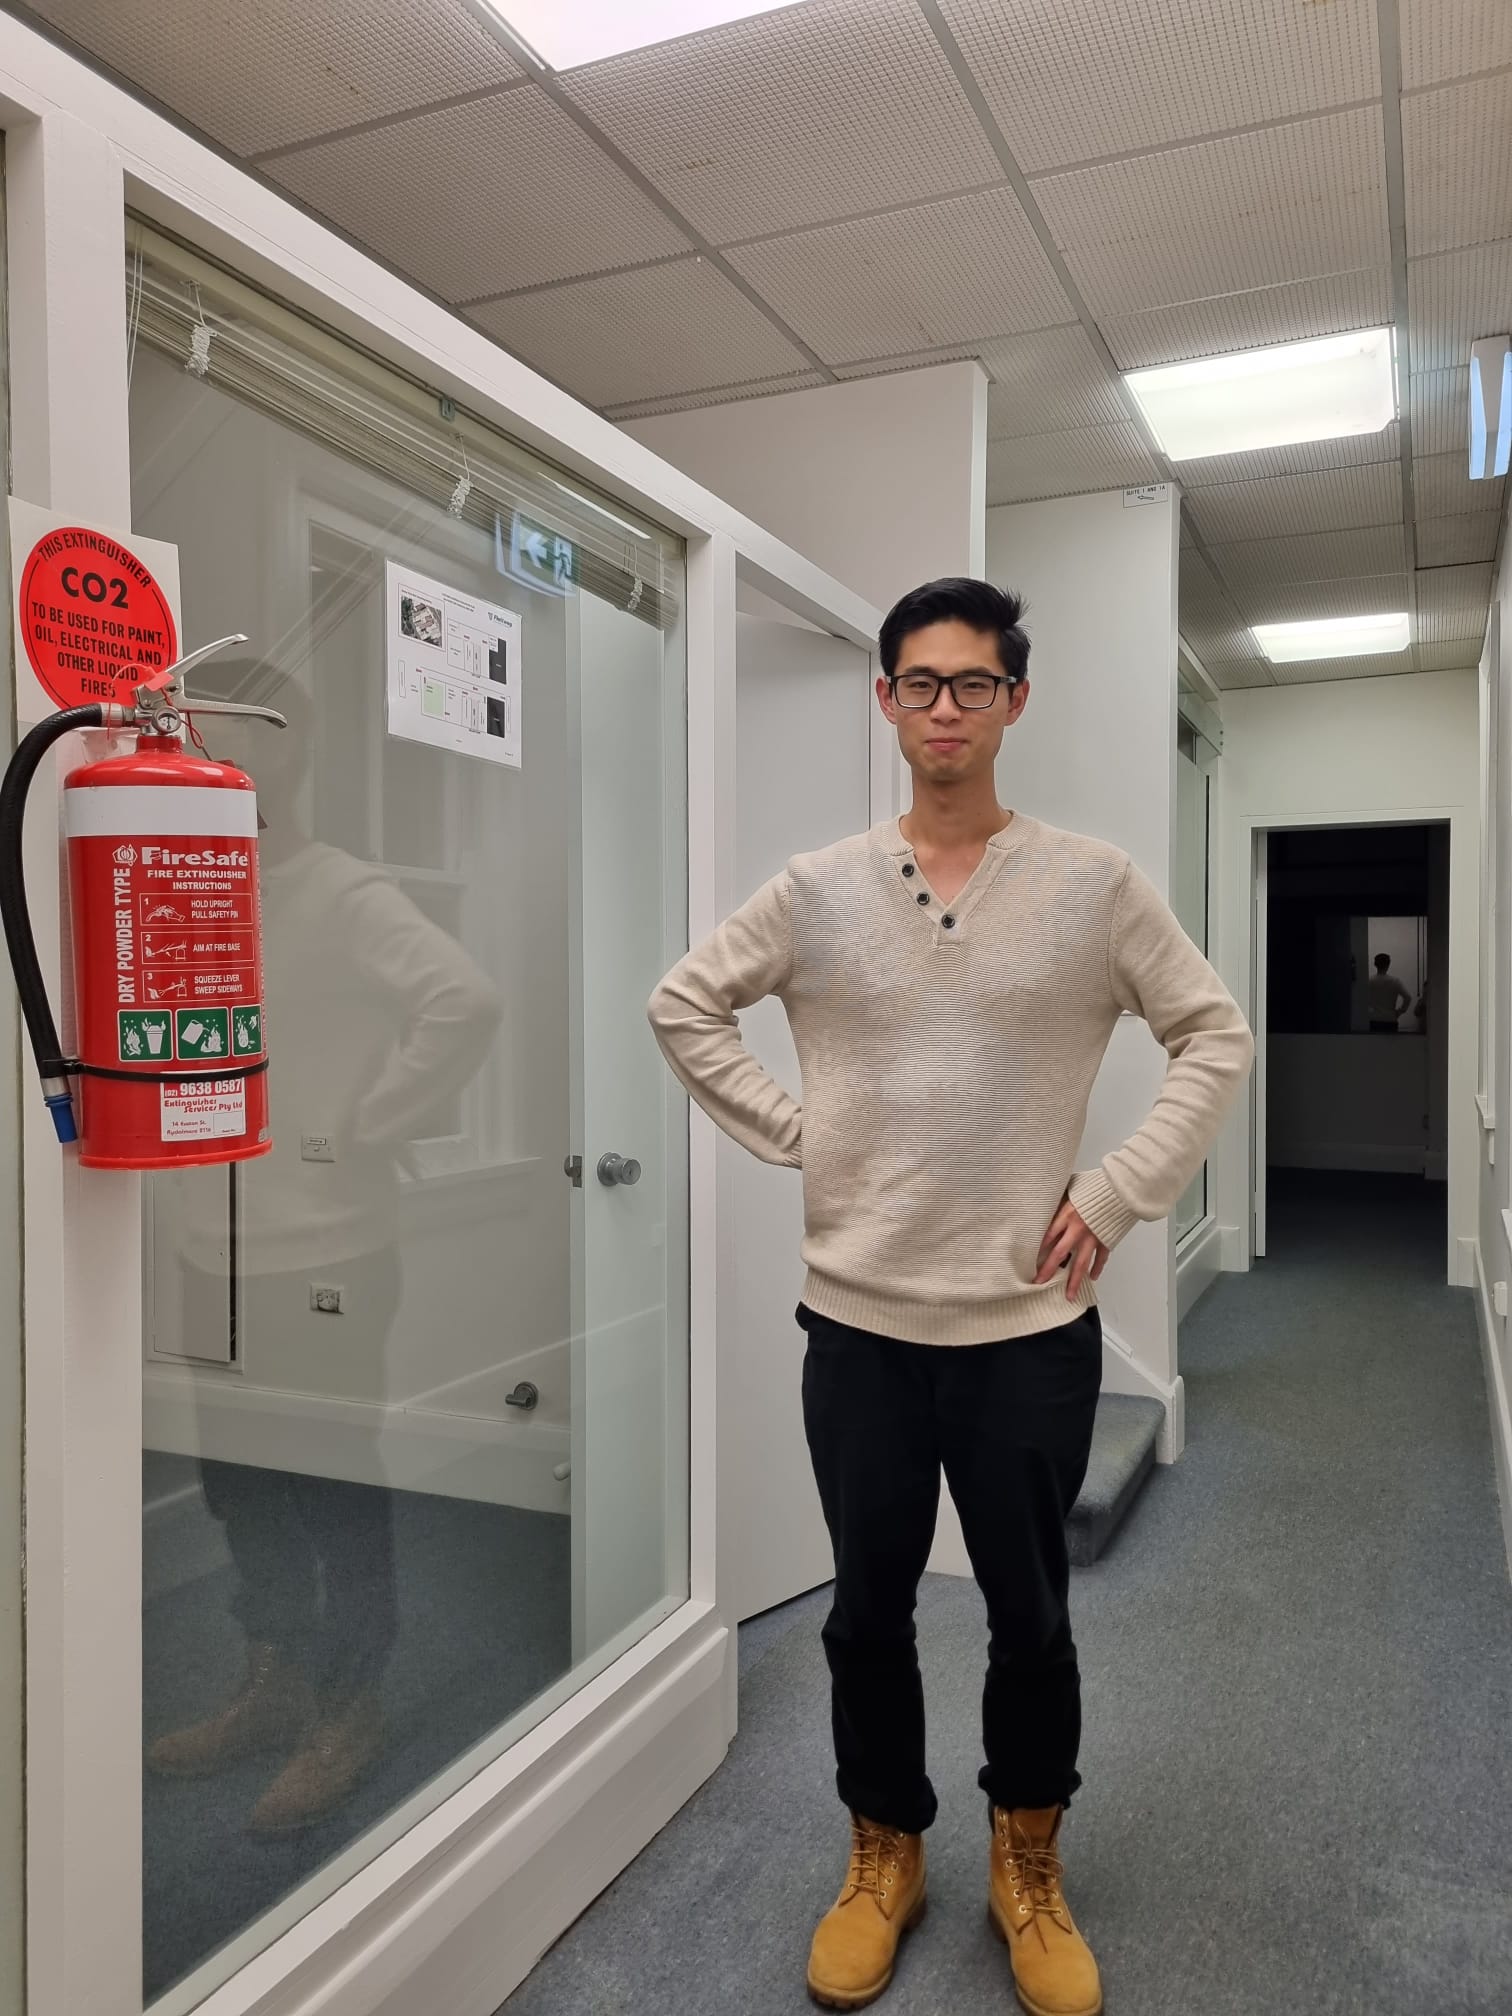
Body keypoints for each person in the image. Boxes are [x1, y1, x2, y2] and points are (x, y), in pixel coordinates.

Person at [648, 579, 1253, 2015]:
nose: (944, 710)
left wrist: (1118, 1193)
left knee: (1030, 1616)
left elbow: (1213, 1034)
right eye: (918, 683)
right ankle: (886, 1851)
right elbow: (685, 1002)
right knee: (865, 1613)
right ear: (885, 700)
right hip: (859, 1330)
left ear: (1013, 702)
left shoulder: (1093, 885)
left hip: (1026, 1334)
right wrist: (803, 1134)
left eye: (973, 684)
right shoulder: (819, 889)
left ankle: (1026, 1860)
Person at [147, 661, 501, 1834]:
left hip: (327, 1251)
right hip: (208, 1248)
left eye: (239, 734)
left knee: (332, 1488)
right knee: (241, 1486)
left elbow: (464, 1001)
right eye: (193, 732)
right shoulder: (182, 880)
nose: (214, 753)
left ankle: (349, 1709)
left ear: (288, 750)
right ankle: (275, 1683)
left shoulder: (339, 890)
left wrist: (366, 1123)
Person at [1368, 952, 1412, 1033]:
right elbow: (1408, 997)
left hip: (1373, 1019)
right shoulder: (1395, 981)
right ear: (1388, 965)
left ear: (1375, 964)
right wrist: (1400, 1011)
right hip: (1390, 1019)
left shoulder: (1369, 981)